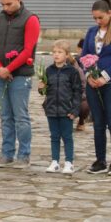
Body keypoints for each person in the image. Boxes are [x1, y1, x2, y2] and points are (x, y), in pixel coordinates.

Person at [0, 0, 40, 169]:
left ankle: (24, 155)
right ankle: (7, 153)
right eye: (2, 4)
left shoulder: (30, 19)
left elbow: (27, 50)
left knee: (21, 117)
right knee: (5, 117)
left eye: (9, 4)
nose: (5, 8)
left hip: (20, 76)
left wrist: (9, 68)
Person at [82, 0, 111, 177]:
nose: (97, 21)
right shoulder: (91, 32)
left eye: (100, 17)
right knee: (98, 124)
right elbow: (84, 55)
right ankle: (100, 160)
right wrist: (89, 75)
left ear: (109, 13)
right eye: (94, 18)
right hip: (93, 85)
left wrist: (105, 76)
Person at [38, 40, 82, 174]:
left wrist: (75, 110)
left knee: (67, 137)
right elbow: (44, 91)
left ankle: (69, 162)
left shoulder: (72, 72)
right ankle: (55, 161)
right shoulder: (49, 70)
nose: (56, 55)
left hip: (66, 110)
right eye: (54, 52)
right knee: (54, 136)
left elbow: (77, 92)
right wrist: (41, 88)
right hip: (52, 109)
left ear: (67, 55)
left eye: (60, 52)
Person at [75, 38, 91, 131]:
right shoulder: (73, 62)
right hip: (73, 92)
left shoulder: (93, 62)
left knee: (86, 104)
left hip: (86, 93)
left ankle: (81, 120)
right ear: (78, 49)